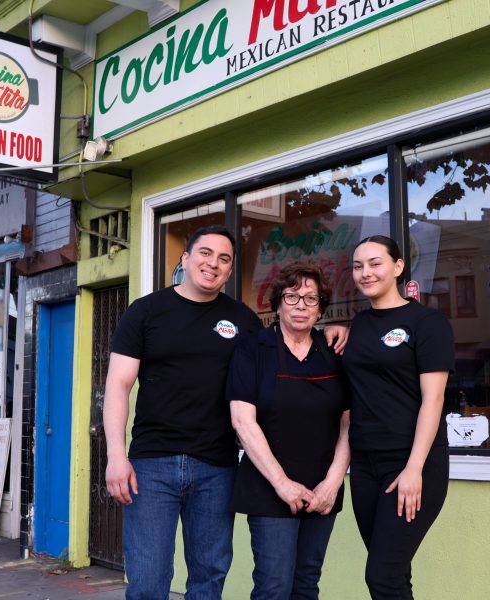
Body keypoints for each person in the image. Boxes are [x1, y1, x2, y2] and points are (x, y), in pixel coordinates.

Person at [104, 226, 347, 600]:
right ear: (185, 259)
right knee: (149, 579)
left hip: (217, 467)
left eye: (224, 259)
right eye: (204, 254)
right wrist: (116, 456)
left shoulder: (244, 321)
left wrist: (327, 328)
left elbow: (288, 331)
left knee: (209, 577)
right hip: (152, 464)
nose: (212, 264)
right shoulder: (146, 312)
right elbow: (119, 386)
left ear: (230, 270)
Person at [227, 262, 350, 600]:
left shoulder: (334, 351)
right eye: (292, 297)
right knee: (274, 586)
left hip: (323, 488)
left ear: (321, 308)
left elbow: (349, 422)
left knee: (306, 584)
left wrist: (333, 483)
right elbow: (242, 420)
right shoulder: (253, 348)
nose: (301, 306)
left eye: (311, 299)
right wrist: (282, 484)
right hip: (269, 487)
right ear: (277, 303)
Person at [342, 235, 455, 600]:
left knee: (382, 576)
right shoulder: (356, 326)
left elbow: (433, 400)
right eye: (358, 266)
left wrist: (414, 468)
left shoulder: (427, 323)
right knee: (393, 572)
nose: (365, 273)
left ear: (397, 267)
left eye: (375, 263)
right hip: (364, 466)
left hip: (411, 465)